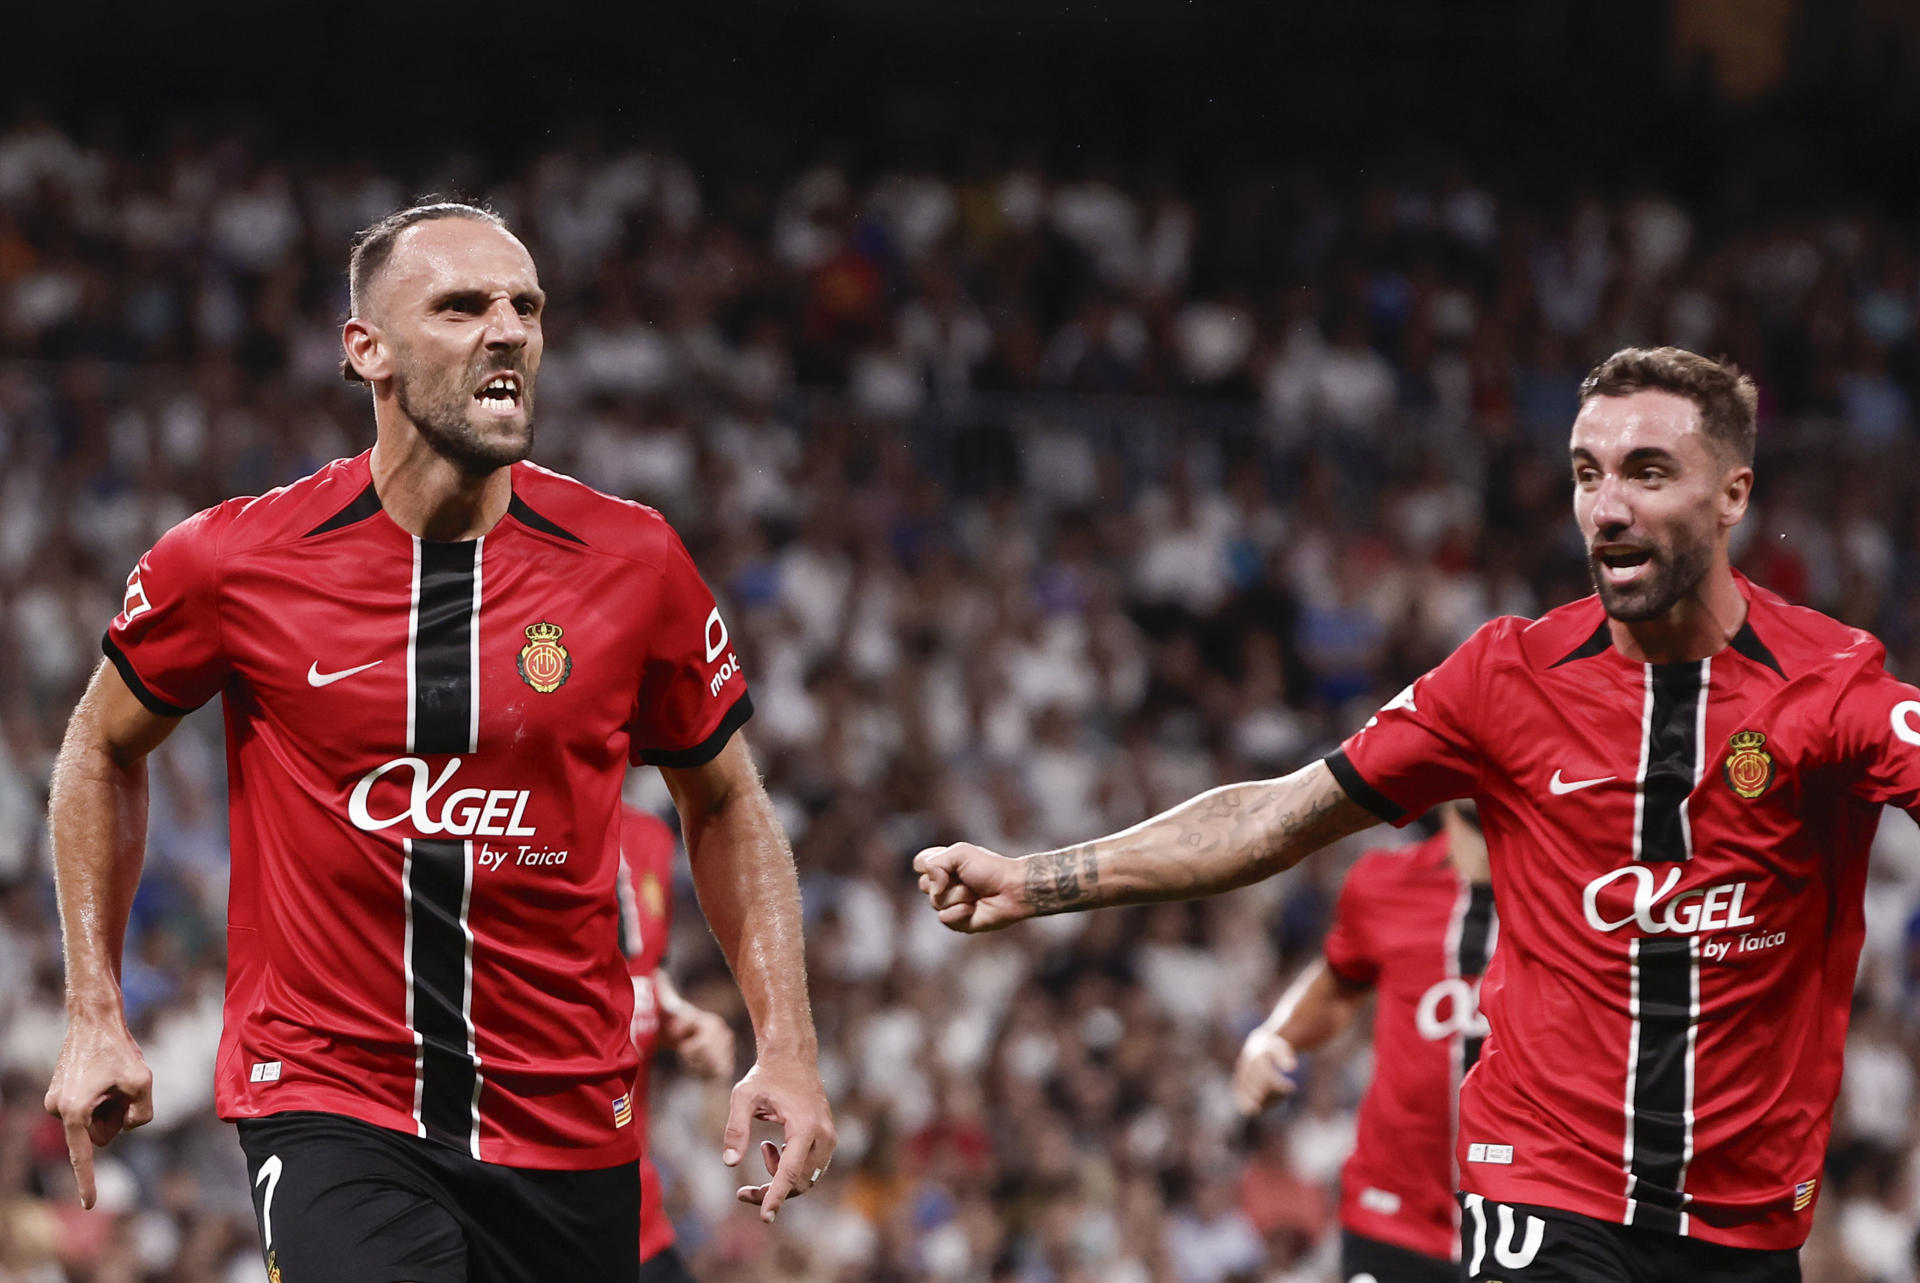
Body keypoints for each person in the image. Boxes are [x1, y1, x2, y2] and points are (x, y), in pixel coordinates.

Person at [917, 346, 1920, 1282]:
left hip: (1748, 1220)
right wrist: (1034, 878)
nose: (1607, 507)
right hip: (1542, 1187)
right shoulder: (1503, 676)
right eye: (1587, 474)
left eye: (1647, 472)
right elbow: (1273, 818)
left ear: (1734, 493)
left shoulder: (1833, 684)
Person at [43, 201, 834, 1283]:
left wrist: (787, 1042)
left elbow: (729, 799)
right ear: (366, 349)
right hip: (330, 1099)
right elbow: (100, 746)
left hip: (569, 1125)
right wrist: (95, 1007)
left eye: (526, 307)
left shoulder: (634, 562)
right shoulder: (233, 560)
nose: (507, 330)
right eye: (462, 306)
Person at [1232, 802, 1494, 1283]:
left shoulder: (1577, 896)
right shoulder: (1384, 883)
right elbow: (1338, 981)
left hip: (1526, 1221)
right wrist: (1275, 1036)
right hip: (1391, 1217)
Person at [616, 803, 735, 1283]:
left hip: (635, 1215)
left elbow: (647, 971)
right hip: (528, 1206)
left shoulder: (649, 837)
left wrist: (681, 1018)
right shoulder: (504, 829)